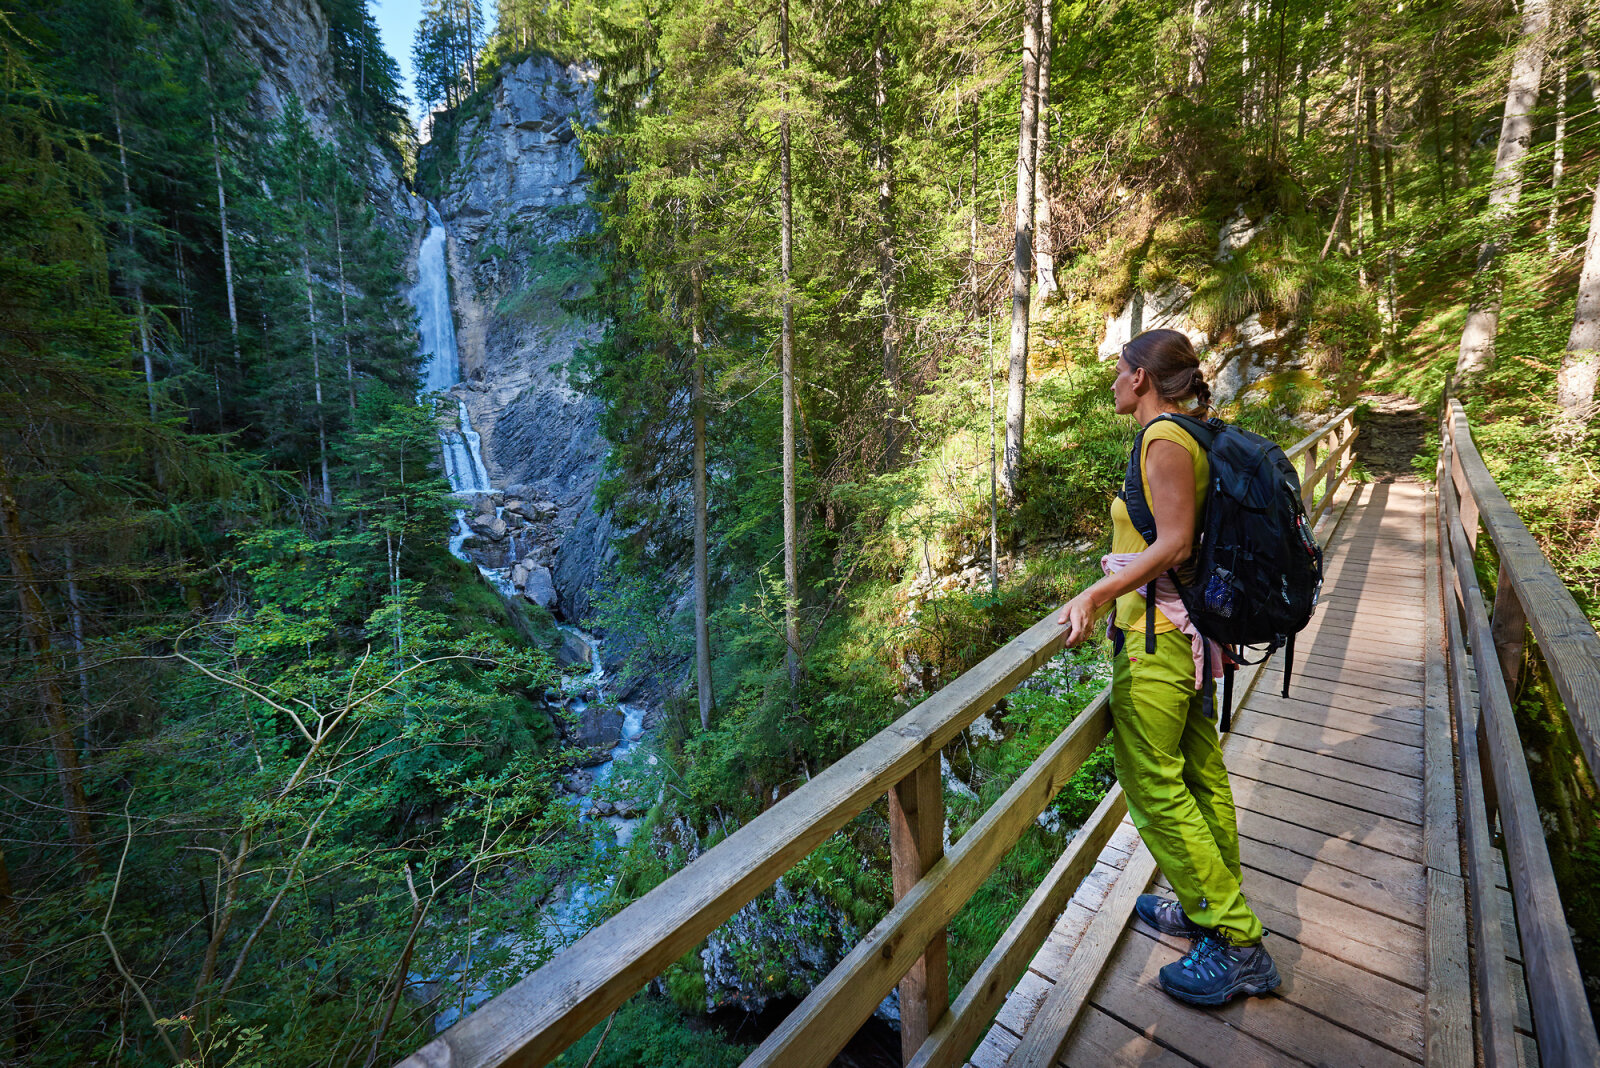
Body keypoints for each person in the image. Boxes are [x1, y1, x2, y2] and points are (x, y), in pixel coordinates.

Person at [1055, 328, 1280, 1006]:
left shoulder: (1164, 439)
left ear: (1142, 378)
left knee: (1152, 782)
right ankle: (1209, 904)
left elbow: (1176, 543)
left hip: (1159, 638)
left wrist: (1095, 594)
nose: (1113, 382)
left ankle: (1236, 940)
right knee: (1200, 772)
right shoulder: (1191, 432)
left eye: (1120, 371)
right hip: (1186, 633)